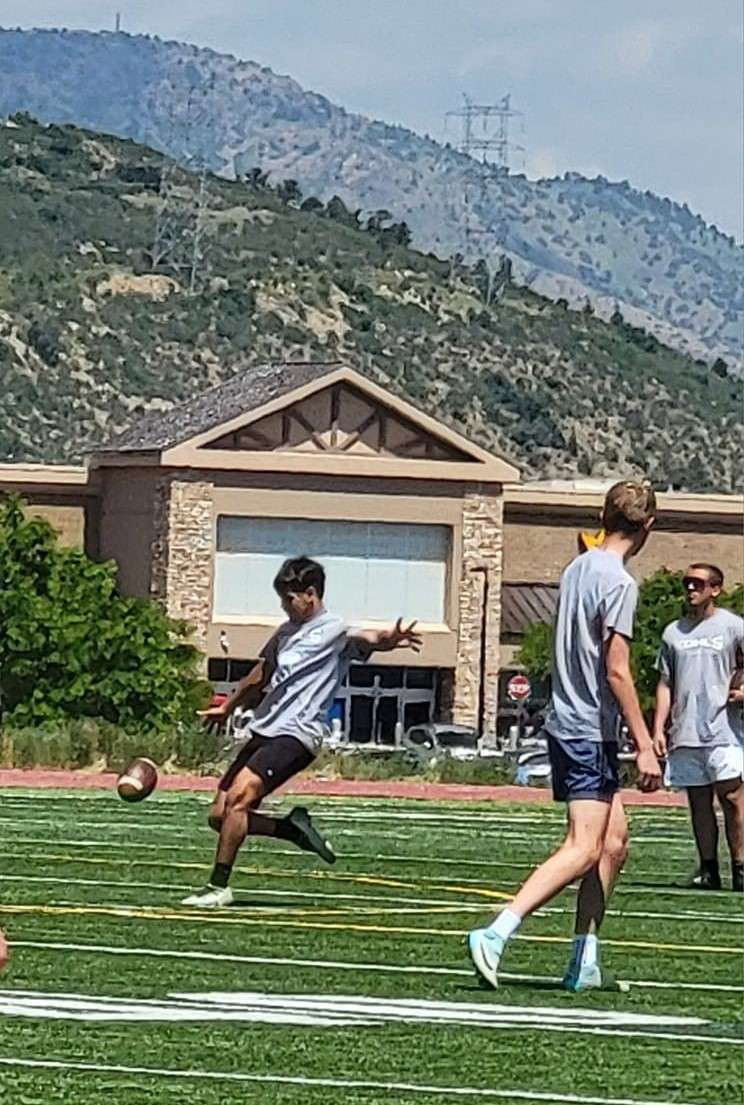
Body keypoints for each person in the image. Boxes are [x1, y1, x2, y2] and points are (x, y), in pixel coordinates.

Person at [468, 480, 662, 991]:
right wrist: (644, 744)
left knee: (613, 843)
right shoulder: (620, 582)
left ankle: (585, 959)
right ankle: (496, 932)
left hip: (570, 722)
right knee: (582, 846)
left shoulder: (579, 566)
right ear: (648, 527)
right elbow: (617, 670)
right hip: (586, 728)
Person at [181, 556, 421, 908]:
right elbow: (261, 675)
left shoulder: (335, 630)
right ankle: (292, 829)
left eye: (289, 599)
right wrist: (228, 706)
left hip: (297, 735)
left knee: (239, 800)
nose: (285, 606)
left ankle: (218, 887)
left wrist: (390, 638)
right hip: (265, 728)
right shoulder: (285, 632)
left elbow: (369, 638)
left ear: (311, 594)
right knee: (220, 816)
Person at [653, 564, 744, 892]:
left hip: (724, 729)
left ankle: (740, 866)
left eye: (699, 584)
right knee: (698, 802)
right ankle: (708, 869)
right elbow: (665, 683)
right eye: (688, 583)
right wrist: (658, 729)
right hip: (686, 729)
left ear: (716, 589)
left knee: (733, 797)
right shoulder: (673, 632)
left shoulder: (733, 626)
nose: (692, 589)